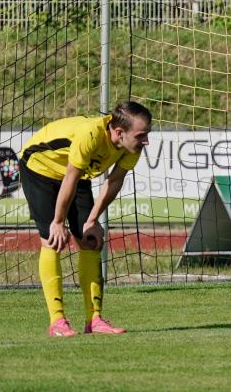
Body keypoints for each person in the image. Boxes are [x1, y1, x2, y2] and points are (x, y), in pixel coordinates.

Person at [19, 101, 152, 337]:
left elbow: (114, 180)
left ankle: (95, 320)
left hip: (75, 175)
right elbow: (70, 176)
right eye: (141, 135)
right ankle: (57, 322)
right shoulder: (89, 134)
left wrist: (92, 220)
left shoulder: (132, 146)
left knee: (91, 241)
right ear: (119, 132)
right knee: (52, 240)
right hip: (40, 167)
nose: (146, 141)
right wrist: (58, 222)